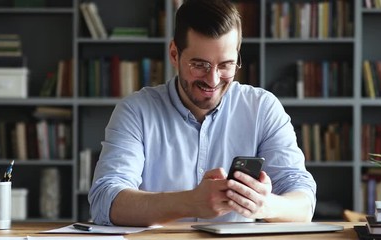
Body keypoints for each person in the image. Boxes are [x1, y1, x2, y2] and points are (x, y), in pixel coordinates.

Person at [89, 0, 316, 227]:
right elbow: (105, 201)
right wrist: (189, 202)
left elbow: (304, 203)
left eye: (226, 65)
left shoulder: (262, 108)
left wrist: (266, 205)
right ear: (174, 54)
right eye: (200, 65)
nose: (213, 80)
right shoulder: (135, 111)